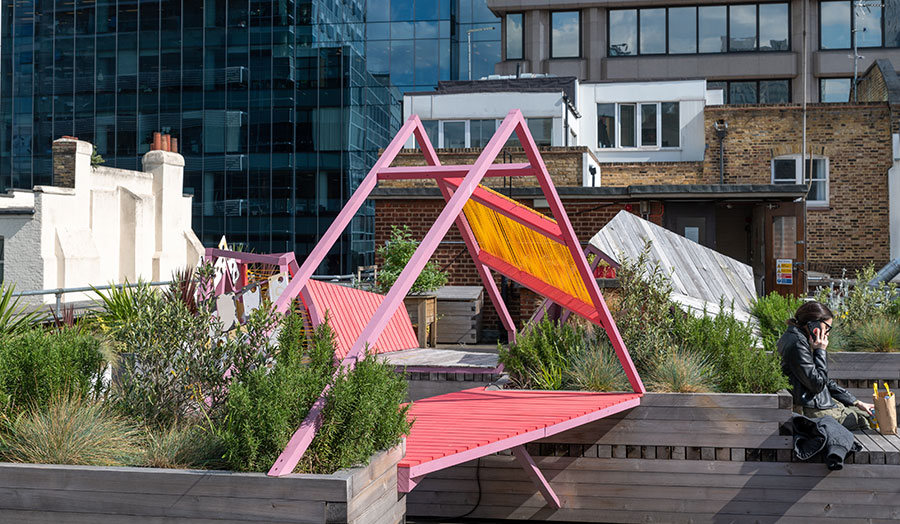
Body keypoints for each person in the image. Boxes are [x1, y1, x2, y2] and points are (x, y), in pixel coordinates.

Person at [777, 301, 874, 430]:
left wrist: (856, 401)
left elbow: (823, 380)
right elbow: (817, 384)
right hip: (810, 410)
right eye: (827, 327)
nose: (828, 333)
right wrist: (820, 350)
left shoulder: (796, 337)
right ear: (814, 324)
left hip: (815, 403)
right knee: (864, 419)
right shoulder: (797, 344)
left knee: (861, 410)